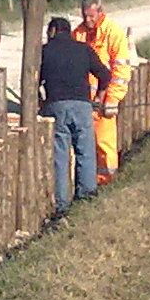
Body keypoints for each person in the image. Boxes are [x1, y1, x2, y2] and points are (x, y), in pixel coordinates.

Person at [38, 15, 109, 212]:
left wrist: (40, 101)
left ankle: (62, 205)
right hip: (82, 106)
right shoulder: (83, 49)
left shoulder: (44, 51)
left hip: (56, 107)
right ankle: (86, 197)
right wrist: (99, 98)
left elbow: (32, 81)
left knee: (60, 156)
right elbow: (105, 75)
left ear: (52, 32)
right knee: (85, 152)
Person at [73, 0, 133, 183]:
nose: (88, 20)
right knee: (82, 145)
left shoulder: (113, 33)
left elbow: (120, 70)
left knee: (104, 142)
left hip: (104, 100)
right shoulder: (78, 33)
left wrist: (113, 99)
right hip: (83, 100)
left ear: (101, 12)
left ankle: (106, 181)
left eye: (91, 16)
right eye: (85, 16)